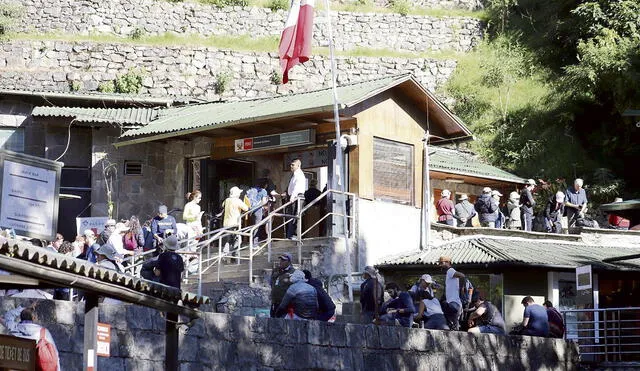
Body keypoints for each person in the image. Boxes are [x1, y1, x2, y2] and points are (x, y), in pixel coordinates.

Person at [1, 303, 61, 371]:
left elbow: (8, 315)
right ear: (33, 318)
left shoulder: (13, 328)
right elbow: (55, 354)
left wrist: (24, 308)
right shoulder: (43, 332)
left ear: (21, 317)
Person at [438, 255, 465, 330]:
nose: (440, 265)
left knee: (442, 304)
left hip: (454, 304)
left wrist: (461, 288)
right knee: (454, 328)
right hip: (455, 304)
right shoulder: (449, 273)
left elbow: (462, 275)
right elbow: (450, 288)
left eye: (441, 263)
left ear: (447, 262)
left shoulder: (450, 270)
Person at [282, 158, 306, 239]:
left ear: (298, 165)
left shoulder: (299, 174)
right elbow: (291, 186)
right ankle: (290, 235)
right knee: (291, 216)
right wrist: (286, 193)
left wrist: (292, 197)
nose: (291, 166)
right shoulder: (294, 174)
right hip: (293, 196)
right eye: (291, 164)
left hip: (296, 197)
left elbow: (297, 187)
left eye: (293, 165)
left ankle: (293, 235)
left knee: (295, 216)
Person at [222, 186, 249, 256]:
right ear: (236, 194)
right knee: (237, 239)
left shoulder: (227, 200)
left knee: (227, 240)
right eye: (239, 193)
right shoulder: (237, 201)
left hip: (226, 223)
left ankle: (224, 254)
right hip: (235, 223)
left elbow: (222, 205)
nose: (240, 194)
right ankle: (234, 254)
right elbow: (246, 208)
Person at [270, 253, 296, 317]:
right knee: (273, 320)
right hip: (275, 302)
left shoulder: (293, 272)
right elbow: (272, 282)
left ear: (289, 262)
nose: (281, 262)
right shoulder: (275, 270)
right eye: (280, 260)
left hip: (286, 304)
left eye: (284, 260)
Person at [246, 181, 269, 245]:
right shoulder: (263, 191)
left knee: (253, 225)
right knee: (257, 226)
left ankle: (251, 241)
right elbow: (264, 202)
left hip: (251, 210)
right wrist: (266, 201)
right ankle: (255, 244)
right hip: (258, 210)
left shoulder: (252, 190)